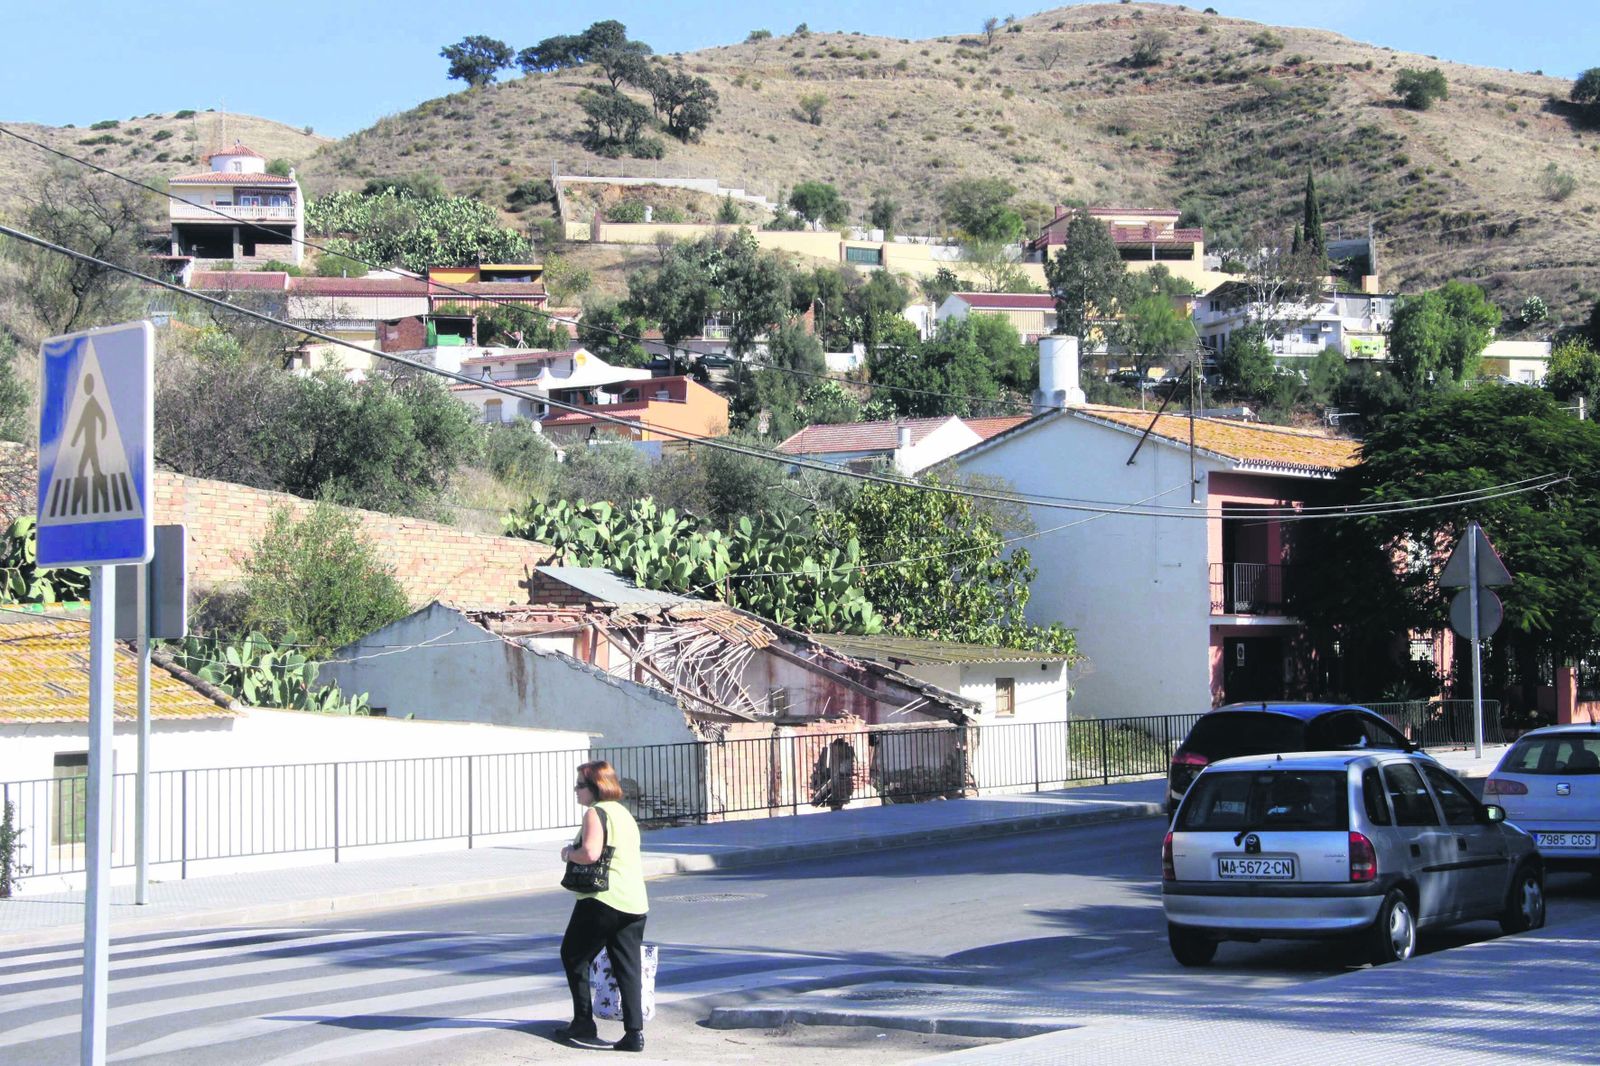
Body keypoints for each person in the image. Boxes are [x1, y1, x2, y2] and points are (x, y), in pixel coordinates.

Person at [555, 760, 649, 1053]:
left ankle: (583, 1022)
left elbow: (591, 853)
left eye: (580, 785)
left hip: (602, 900)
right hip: (634, 902)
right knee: (628, 967)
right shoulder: (624, 814)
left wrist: (569, 853)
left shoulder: (596, 812)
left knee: (573, 956)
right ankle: (634, 1034)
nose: (576, 791)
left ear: (595, 786)